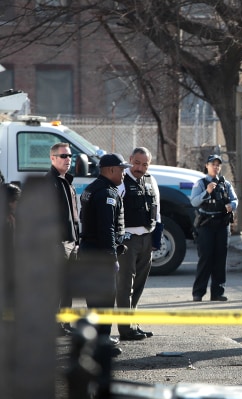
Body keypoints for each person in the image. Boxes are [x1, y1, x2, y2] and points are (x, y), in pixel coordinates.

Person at [78, 153, 129, 356]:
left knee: (95, 300)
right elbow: (106, 228)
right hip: (100, 255)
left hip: (90, 252)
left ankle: (96, 340)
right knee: (104, 299)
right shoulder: (106, 193)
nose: (124, 173)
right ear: (110, 170)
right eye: (121, 169)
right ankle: (102, 342)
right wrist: (112, 256)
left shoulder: (92, 188)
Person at [115, 147, 160, 340]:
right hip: (128, 239)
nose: (140, 168)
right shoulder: (120, 182)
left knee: (139, 284)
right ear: (130, 159)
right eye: (137, 163)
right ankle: (125, 328)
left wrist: (155, 238)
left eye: (144, 164)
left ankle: (133, 322)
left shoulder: (150, 180)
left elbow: (157, 210)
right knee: (126, 284)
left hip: (146, 239)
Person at [191, 154, 238, 302]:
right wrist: (207, 192)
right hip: (206, 225)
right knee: (205, 258)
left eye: (218, 165)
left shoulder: (225, 183)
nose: (215, 167)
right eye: (213, 164)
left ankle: (218, 292)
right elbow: (194, 201)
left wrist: (232, 205)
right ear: (207, 166)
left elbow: (234, 199)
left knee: (220, 259)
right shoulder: (200, 183)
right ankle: (198, 292)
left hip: (222, 224)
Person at [47, 142, 80, 336]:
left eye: (69, 156)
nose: (68, 159)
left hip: (72, 242)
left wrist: (76, 240)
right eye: (63, 156)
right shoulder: (49, 182)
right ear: (53, 158)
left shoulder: (66, 180)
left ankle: (64, 324)